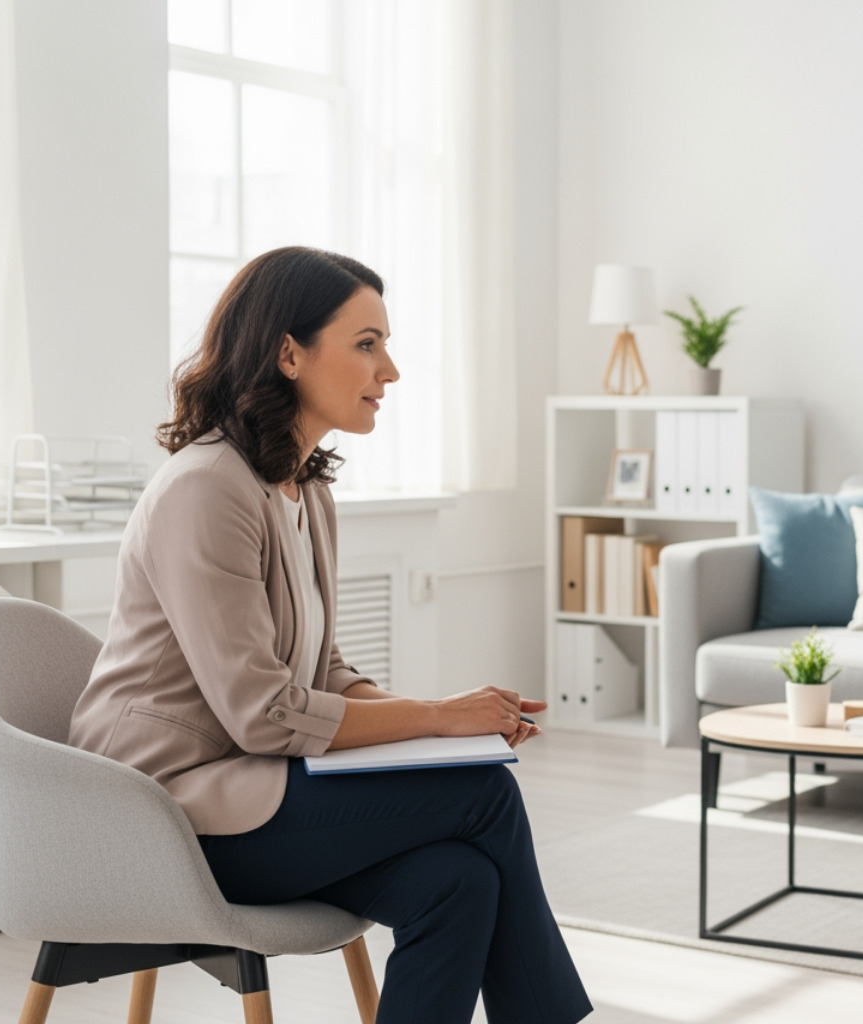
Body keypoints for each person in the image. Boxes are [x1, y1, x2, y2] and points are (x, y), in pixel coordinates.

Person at [68, 246, 591, 1024]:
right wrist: (441, 718)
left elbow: (324, 669)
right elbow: (263, 711)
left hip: (256, 786)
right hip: (170, 814)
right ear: (288, 353)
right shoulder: (206, 489)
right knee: (486, 793)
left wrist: (433, 728)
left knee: (460, 881)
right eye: (367, 344)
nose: (392, 370)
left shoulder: (304, 487)